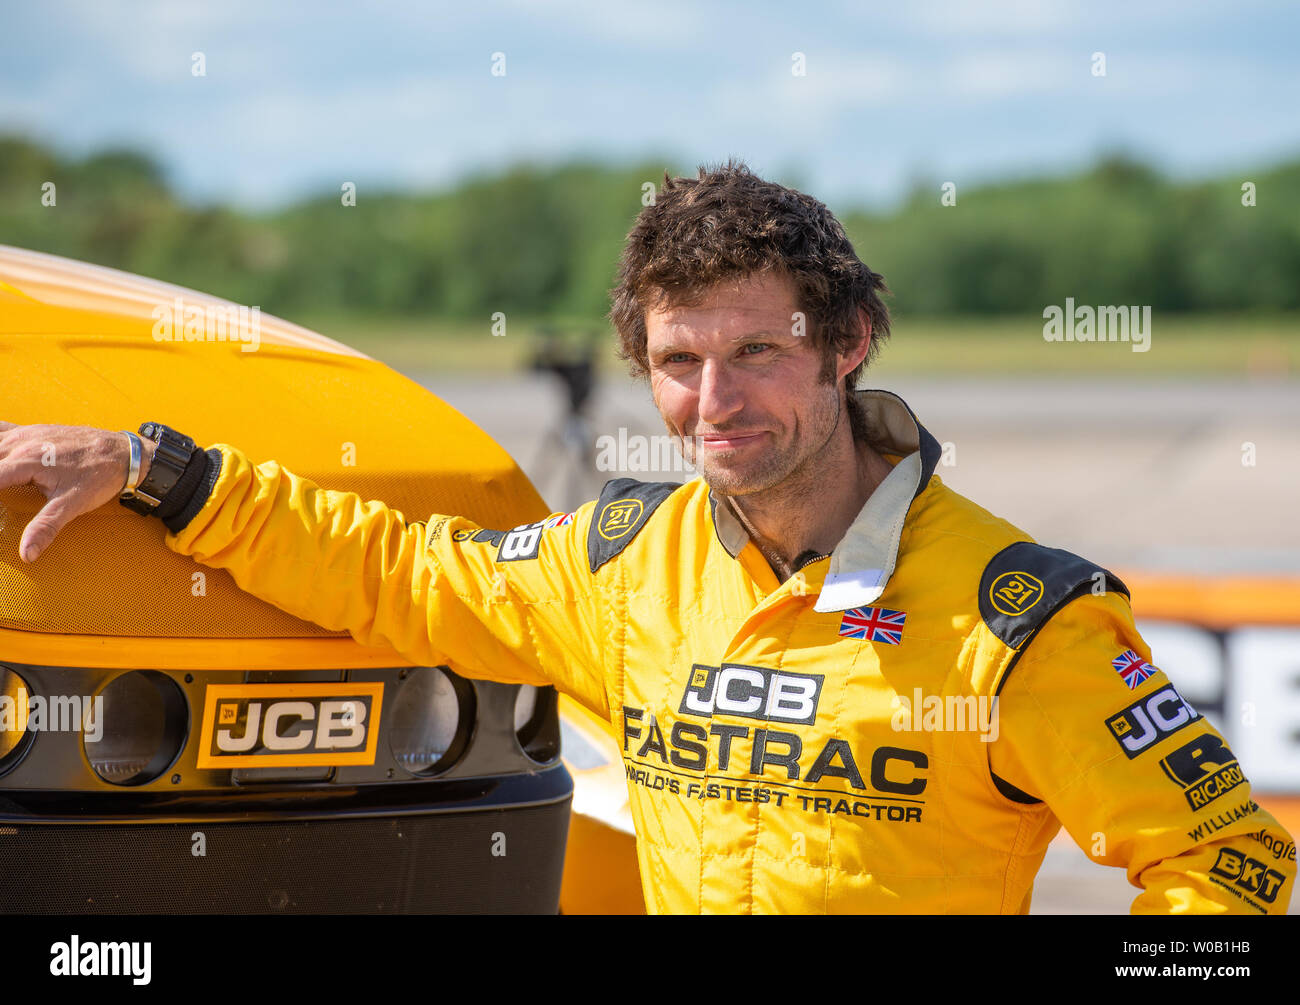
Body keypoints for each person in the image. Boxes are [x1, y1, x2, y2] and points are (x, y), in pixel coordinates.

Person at [1, 162, 1293, 915]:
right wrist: (155, 467)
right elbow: (391, 571)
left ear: (845, 347)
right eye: (678, 361)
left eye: (757, 352)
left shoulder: (1021, 616)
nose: (715, 401)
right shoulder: (623, 563)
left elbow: (1230, 867)